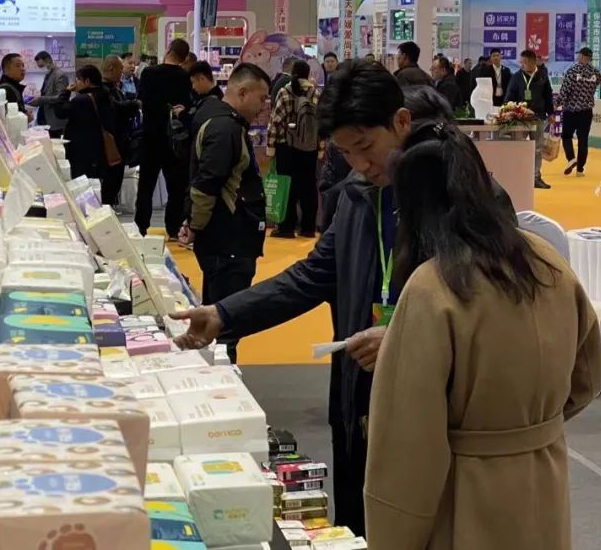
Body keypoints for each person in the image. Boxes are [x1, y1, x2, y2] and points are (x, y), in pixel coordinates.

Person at [170, 61, 515, 537]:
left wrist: (404, 337)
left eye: (366, 147)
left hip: (436, 410)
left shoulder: (467, 197)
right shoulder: (356, 195)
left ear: (400, 122)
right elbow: (313, 275)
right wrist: (224, 314)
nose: (360, 164)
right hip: (360, 398)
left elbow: (496, 309)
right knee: (359, 520)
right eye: (346, 152)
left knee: (425, 527)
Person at [363, 131, 601, 549]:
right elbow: (588, 376)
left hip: (465, 493)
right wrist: (529, 428)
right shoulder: (547, 262)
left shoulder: (432, 289)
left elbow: (408, 445)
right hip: (544, 479)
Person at [179, 63, 271, 364]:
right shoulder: (224, 128)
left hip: (227, 238)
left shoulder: (220, 120)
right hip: (228, 240)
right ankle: (223, 372)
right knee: (226, 322)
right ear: (242, 92)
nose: (263, 107)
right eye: (261, 98)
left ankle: (217, 369)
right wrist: (195, 225)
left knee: (220, 315)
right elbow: (207, 184)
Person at [135, 38, 193, 238]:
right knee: (176, 187)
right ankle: (174, 227)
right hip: (175, 139)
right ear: (185, 58)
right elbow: (187, 105)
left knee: (146, 185)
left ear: (168, 50)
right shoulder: (184, 77)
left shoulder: (149, 73)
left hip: (150, 136)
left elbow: (142, 100)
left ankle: (141, 226)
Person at [267, 59, 321, 240]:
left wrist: (271, 147)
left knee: (287, 186)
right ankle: (308, 228)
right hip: (309, 148)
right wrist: (320, 148)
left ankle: (286, 228)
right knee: (309, 187)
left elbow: (276, 121)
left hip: (286, 147)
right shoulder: (315, 93)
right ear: (308, 74)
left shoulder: (285, 91)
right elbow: (321, 124)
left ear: (292, 73)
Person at [54, 64, 117, 182]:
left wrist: (66, 92)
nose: (76, 83)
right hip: (99, 151)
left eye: (78, 80)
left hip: (82, 153)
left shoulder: (82, 100)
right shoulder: (105, 95)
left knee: (84, 185)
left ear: (87, 81)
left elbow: (60, 112)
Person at [505, 49, 554, 189]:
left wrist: (551, 113)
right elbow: (509, 96)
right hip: (520, 118)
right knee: (518, 146)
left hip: (538, 116)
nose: (522, 65)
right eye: (521, 62)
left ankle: (535, 177)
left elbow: (548, 96)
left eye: (525, 62)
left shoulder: (542, 76)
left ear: (533, 62)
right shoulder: (516, 77)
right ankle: (517, 175)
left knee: (537, 148)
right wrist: (508, 111)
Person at [100, 55, 140, 206]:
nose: (121, 72)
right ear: (111, 68)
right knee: (111, 181)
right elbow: (117, 109)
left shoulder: (114, 88)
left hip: (120, 142)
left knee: (116, 179)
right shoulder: (103, 90)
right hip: (112, 143)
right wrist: (135, 105)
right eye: (120, 68)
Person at [558, 47, 601, 177]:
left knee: (566, 136)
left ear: (582, 56)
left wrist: (557, 103)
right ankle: (580, 169)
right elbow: (598, 84)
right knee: (583, 139)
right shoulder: (595, 73)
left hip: (571, 110)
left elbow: (565, 91)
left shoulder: (572, 71)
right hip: (586, 111)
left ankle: (571, 159)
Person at [30, 51, 70, 137]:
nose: (42, 68)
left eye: (42, 66)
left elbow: (61, 97)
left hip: (55, 118)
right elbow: (46, 93)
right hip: (46, 117)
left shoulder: (60, 75)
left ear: (48, 60)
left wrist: (40, 99)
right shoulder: (48, 74)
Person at [185, 60, 225, 136]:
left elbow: (196, 124)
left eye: (193, 82)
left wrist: (182, 115)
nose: (193, 87)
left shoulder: (213, 101)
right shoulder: (212, 96)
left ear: (202, 79)